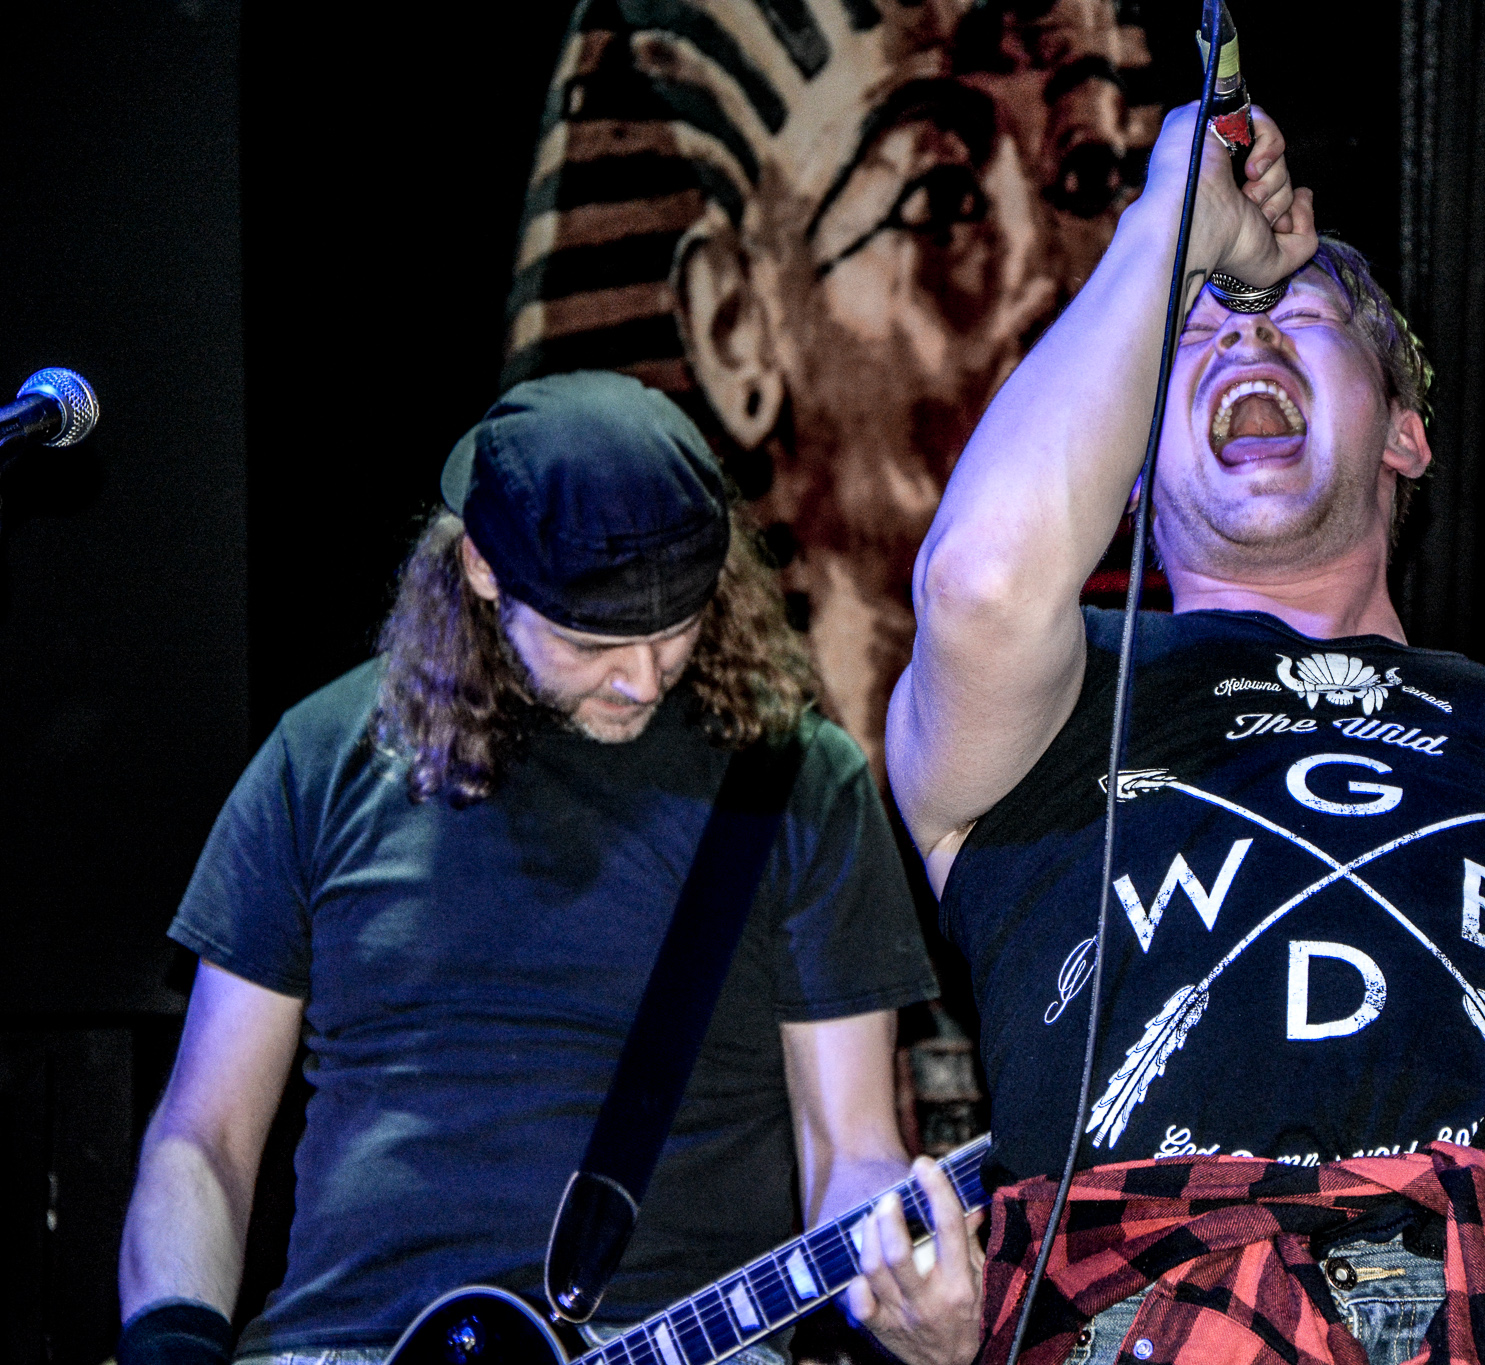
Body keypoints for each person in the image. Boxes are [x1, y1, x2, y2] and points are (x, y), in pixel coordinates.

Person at [859, 106, 1485, 1363]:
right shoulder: (1048, 702)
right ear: (1121, 462)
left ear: (1404, 432)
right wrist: (1171, 223)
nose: (1244, 332)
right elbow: (978, 582)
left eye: (1296, 317)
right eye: (1193, 332)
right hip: (1166, 1301)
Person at [115, 372, 958, 1365]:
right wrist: (172, 1344)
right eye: (591, 639)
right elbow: (204, 1136)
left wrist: (904, 1290)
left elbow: (849, 1148)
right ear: (482, 568)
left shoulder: (798, 784)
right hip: (340, 1345)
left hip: (669, 1343)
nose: (641, 677)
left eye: (674, 627)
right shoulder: (321, 758)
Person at [505, 0, 1159, 772]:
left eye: (1088, 178)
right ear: (735, 325)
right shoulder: (708, 814)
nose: (1048, 282)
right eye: (939, 199)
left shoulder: (1194, 734)